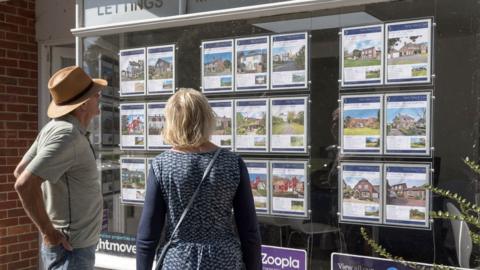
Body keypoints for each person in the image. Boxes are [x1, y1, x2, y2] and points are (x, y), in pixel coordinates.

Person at [136, 89, 262, 270]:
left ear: (172, 121)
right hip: (224, 260)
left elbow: (148, 234)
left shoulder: (161, 166)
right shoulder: (232, 163)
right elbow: (249, 231)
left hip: (178, 261)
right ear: (207, 118)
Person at [13, 66, 107, 269]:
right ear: (82, 105)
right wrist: (48, 231)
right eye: (94, 94)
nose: (99, 96)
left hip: (71, 248)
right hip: (71, 251)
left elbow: (20, 170)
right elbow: (24, 182)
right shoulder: (67, 135)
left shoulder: (55, 128)